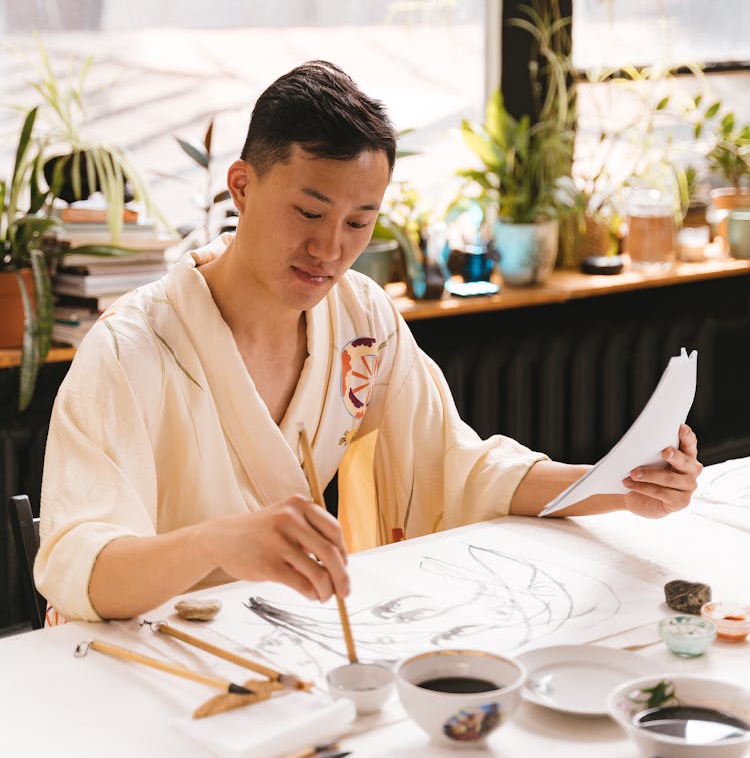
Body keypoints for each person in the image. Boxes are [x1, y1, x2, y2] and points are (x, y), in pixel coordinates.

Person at [36, 61, 702, 622]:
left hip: (282, 641)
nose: (330, 249)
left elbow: (456, 465)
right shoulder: (128, 351)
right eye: (309, 212)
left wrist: (616, 484)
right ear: (242, 185)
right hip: (152, 660)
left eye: (360, 221)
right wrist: (216, 542)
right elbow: (80, 566)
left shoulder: (360, 316)